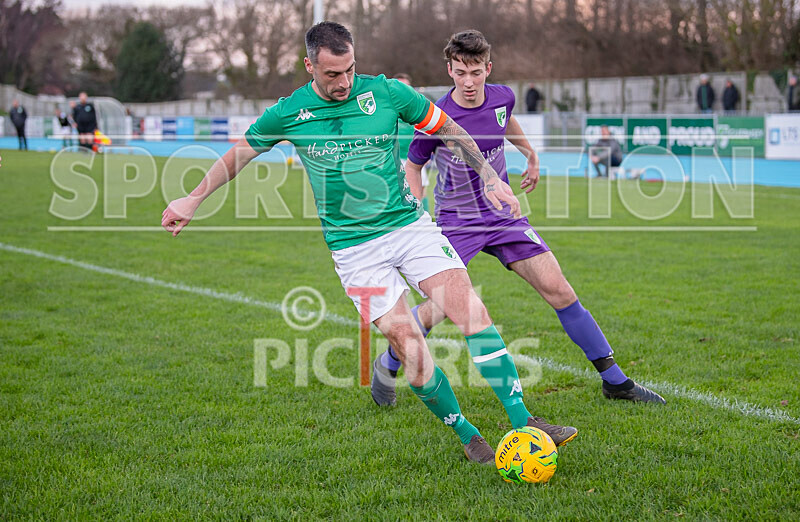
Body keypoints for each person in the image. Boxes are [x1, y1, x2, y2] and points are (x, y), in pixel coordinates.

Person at [161, 22, 577, 463]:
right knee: (410, 347)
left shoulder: (385, 93)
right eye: (332, 75)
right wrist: (193, 197)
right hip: (354, 250)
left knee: (471, 310)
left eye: (350, 70)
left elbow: (448, 129)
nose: (344, 83)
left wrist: (491, 176)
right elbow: (239, 154)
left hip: (408, 227)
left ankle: (523, 420)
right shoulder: (288, 112)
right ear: (310, 66)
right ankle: (467, 434)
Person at [372, 30, 665, 407]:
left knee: (559, 289)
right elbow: (413, 165)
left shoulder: (503, 97)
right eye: (460, 72)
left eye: (476, 72)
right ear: (449, 70)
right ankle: (390, 360)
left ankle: (615, 381)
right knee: (442, 307)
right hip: (456, 224)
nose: (469, 81)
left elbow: (506, 122)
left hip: (504, 215)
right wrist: (418, 207)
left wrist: (530, 154)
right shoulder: (437, 118)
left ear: (487, 68)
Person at [394, 73, 431, 212]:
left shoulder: (417, 110)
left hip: (415, 159)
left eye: (406, 87)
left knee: (420, 192)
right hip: (394, 160)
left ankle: (424, 220)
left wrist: (427, 154)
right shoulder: (389, 112)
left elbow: (428, 133)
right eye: (400, 86)